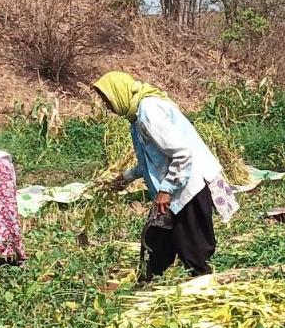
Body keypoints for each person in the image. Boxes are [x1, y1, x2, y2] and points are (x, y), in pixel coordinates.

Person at [92, 70, 241, 279]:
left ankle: (205, 289)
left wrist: (166, 189)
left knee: (193, 251)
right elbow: (151, 160)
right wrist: (124, 178)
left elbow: (181, 153)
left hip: (189, 187)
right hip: (174, 187)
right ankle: (148, 284)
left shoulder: (149, 112)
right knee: (155, 247)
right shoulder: (137, 117)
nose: (107, 106)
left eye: (107, 99)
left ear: (119, 93)